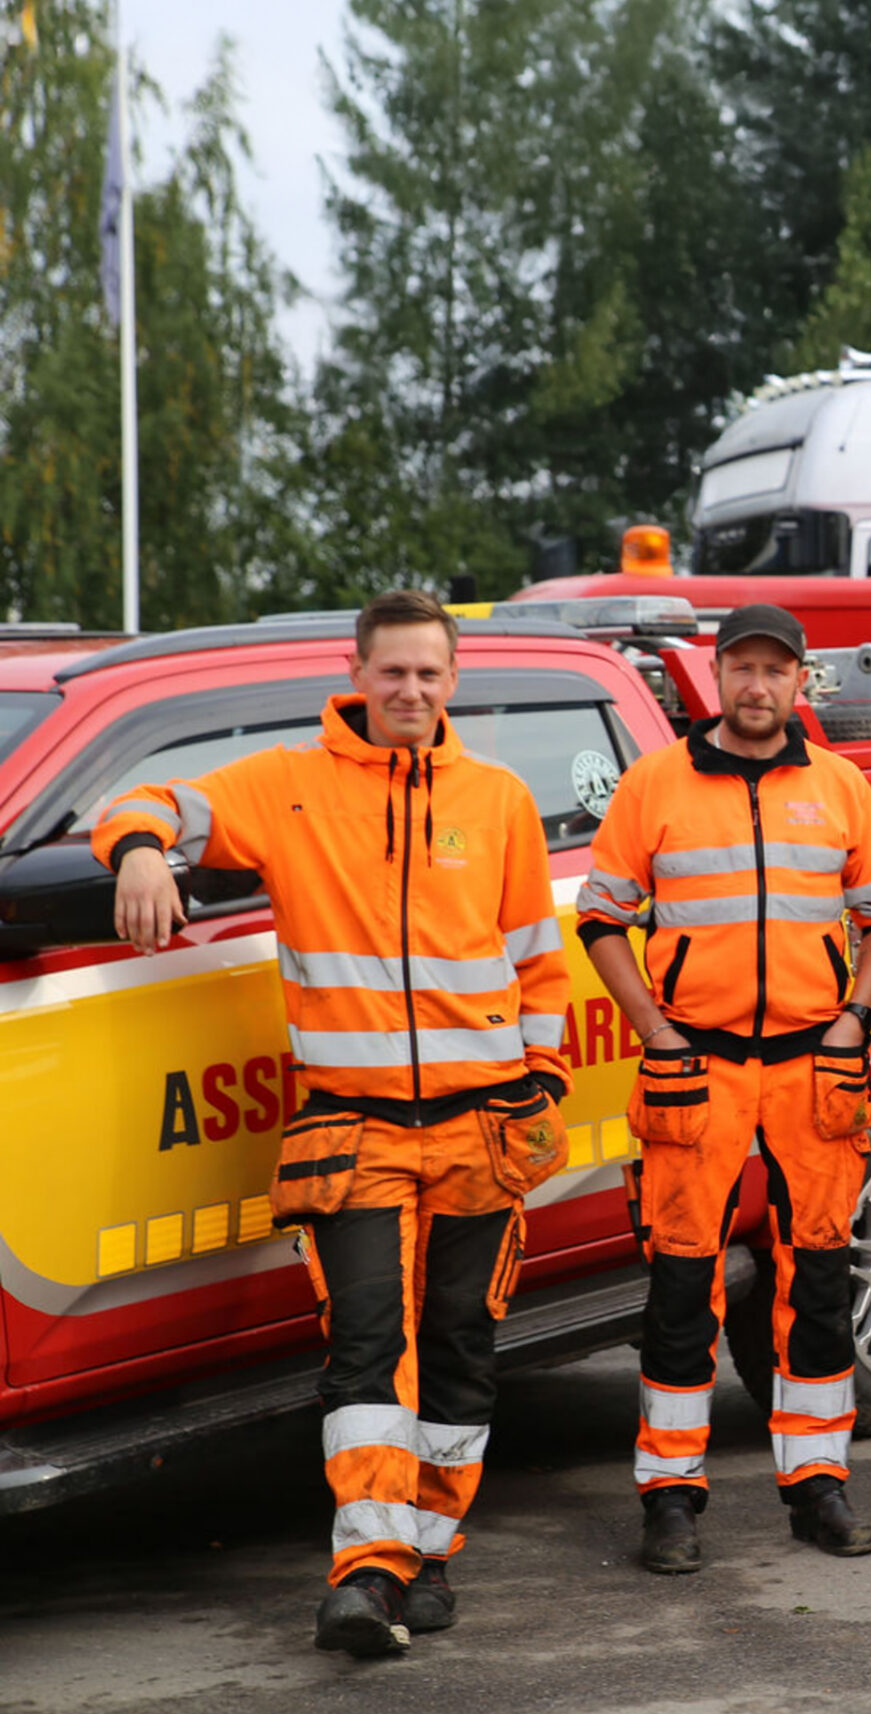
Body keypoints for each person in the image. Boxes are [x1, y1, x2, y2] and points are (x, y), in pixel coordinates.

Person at [94, 590, 572, 1659]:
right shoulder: (286, 786)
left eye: (428, 674)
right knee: (366, 1347)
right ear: (356, 674)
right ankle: (364, 1568)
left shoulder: (497, 800)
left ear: (454, 682)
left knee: (461, 1344)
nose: (409, 690)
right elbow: (150, 800)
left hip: (480, 1124)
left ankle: (431, 1548)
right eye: (391, 671)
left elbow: (538, 953)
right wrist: (136, 851)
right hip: (351, 1130)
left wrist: (535, 1079)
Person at [578, 603, 871, 1574]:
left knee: (817, 1281)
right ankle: (671, 1499)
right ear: (715, 676)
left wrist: (856, 1014)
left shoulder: (840, 786)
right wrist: (656, 1029)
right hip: (699, 1065)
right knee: (682, 1288)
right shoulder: (655, 783)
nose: (758, 685)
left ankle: (818, 1485)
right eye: (742, 668)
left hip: (816, 1062)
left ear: (801, 680)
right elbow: (604, 919)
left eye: (776, 668)